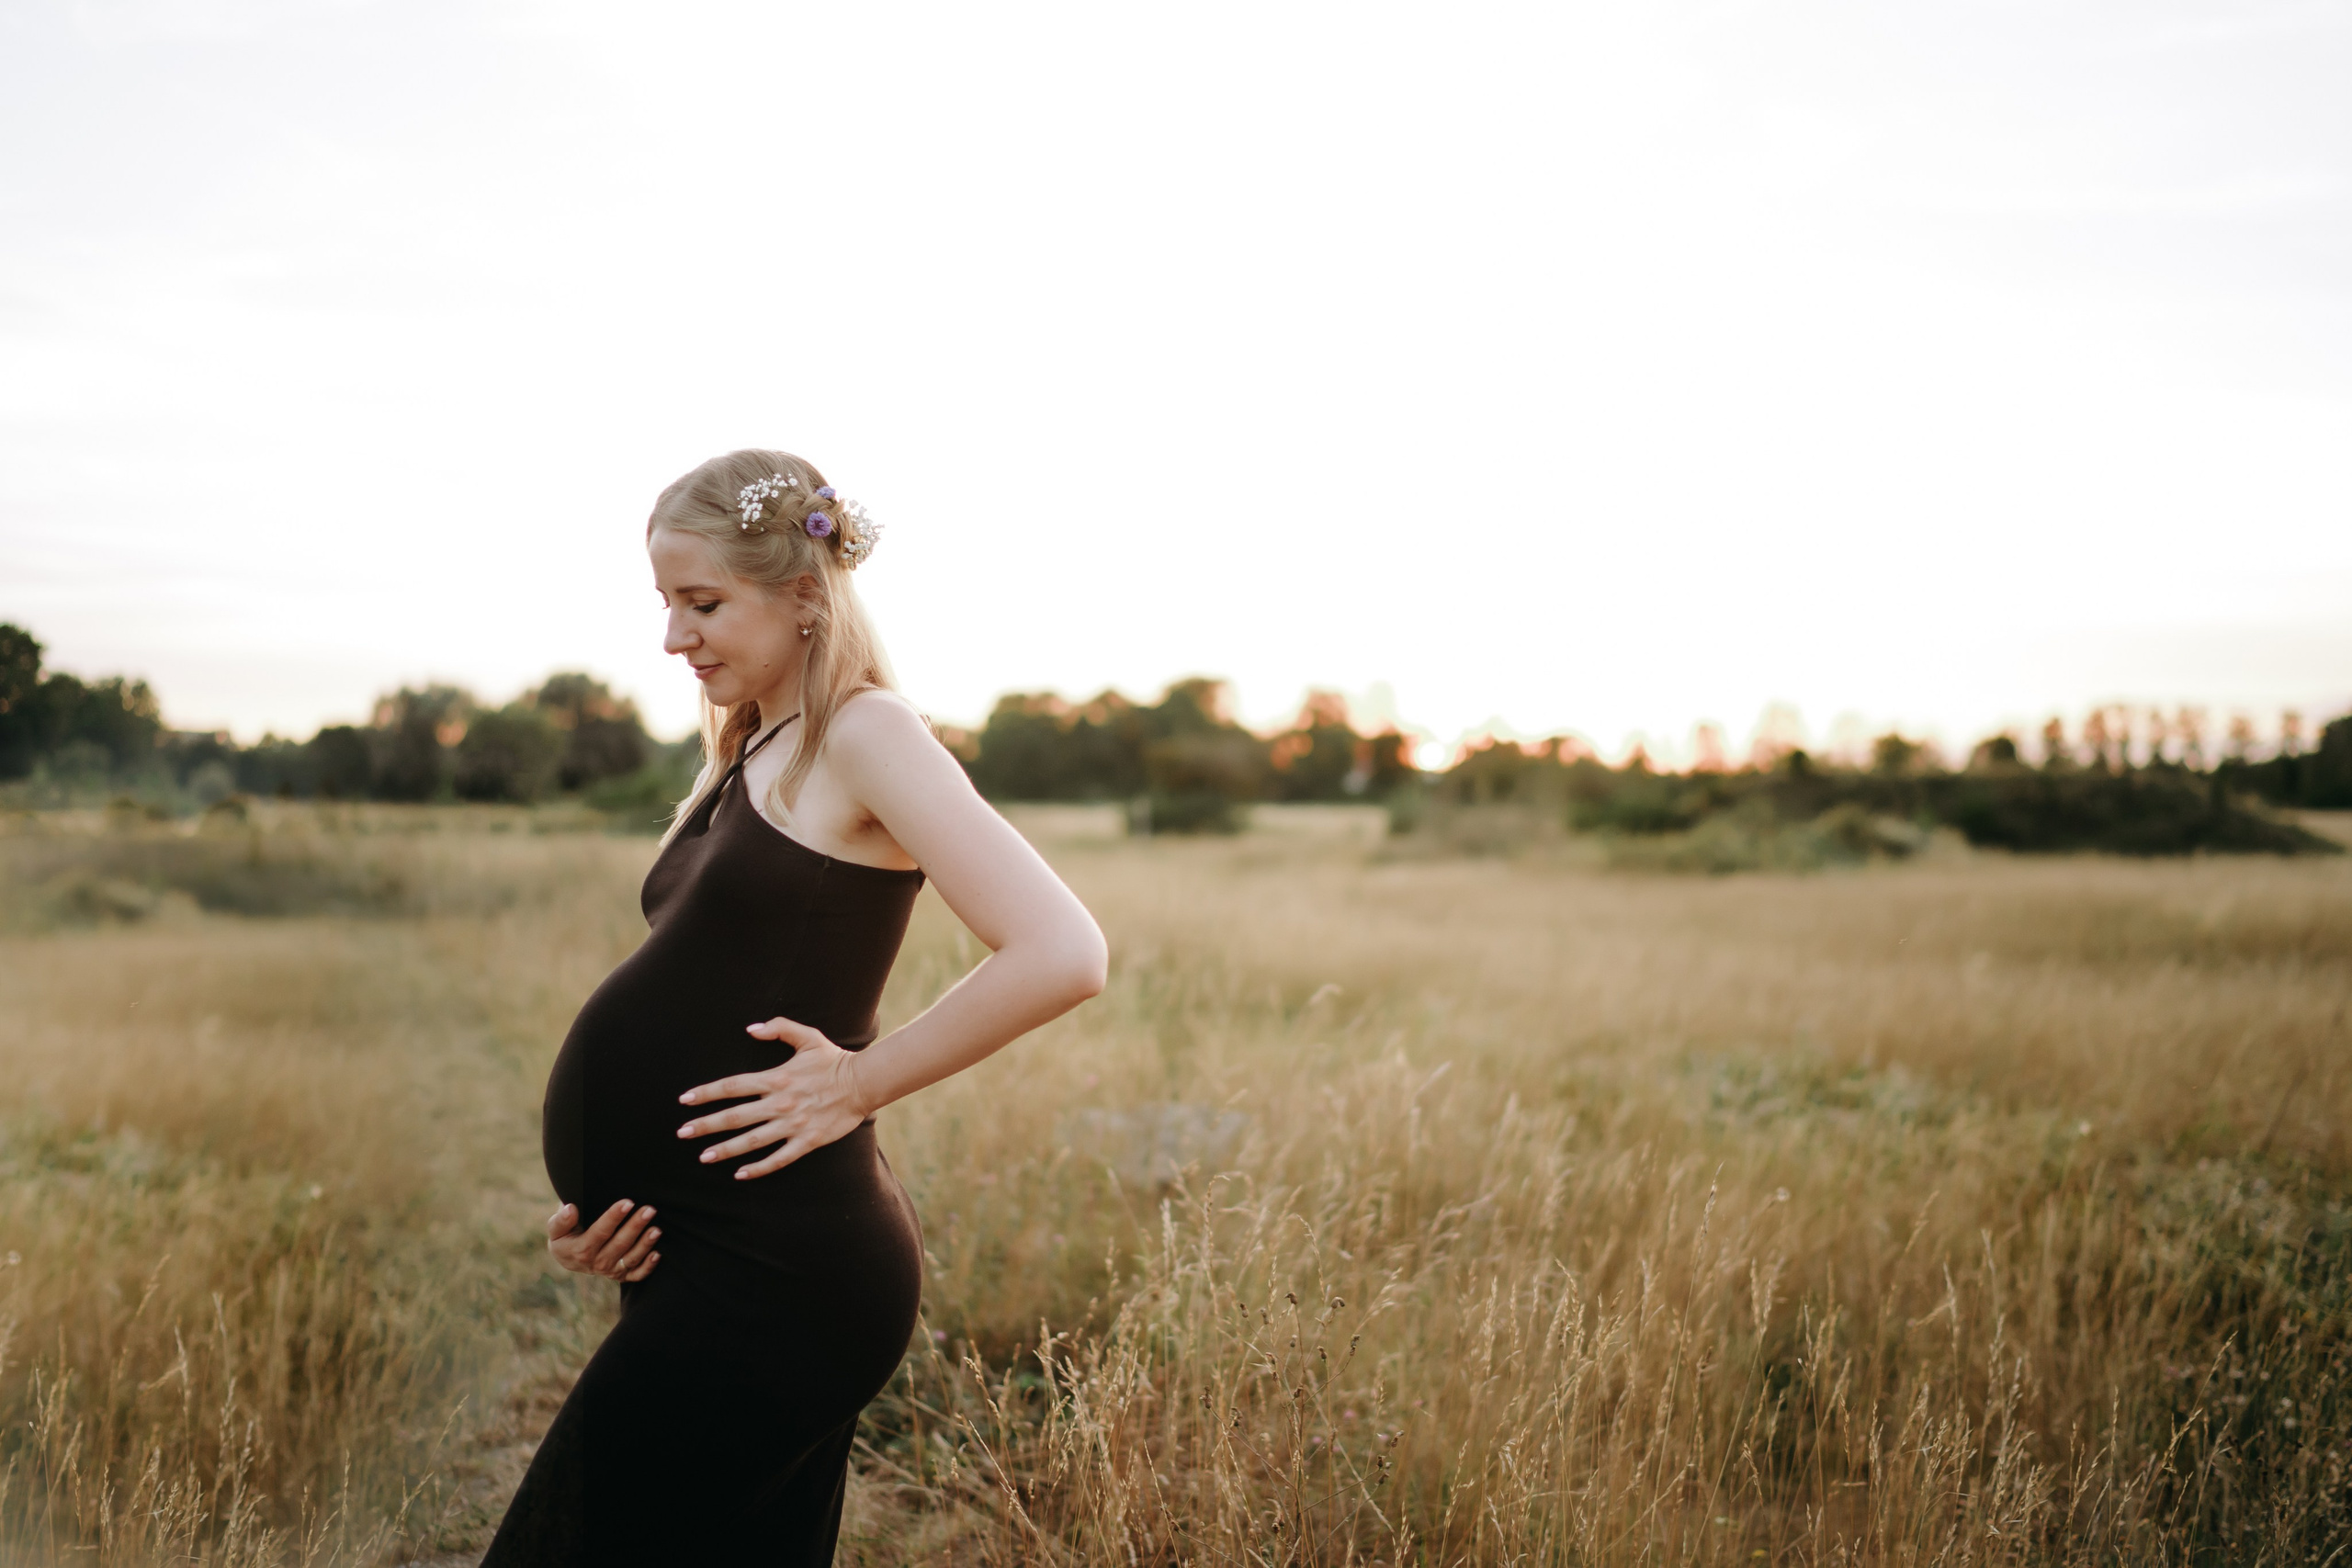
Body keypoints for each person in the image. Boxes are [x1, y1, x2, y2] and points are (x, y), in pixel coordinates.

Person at [482, 449, 1108, 1564]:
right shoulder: (748, 744)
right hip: (702, 1251)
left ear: (806, 597)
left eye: (704, 603)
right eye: (667, 604)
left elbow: (1063, 949)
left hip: (785, 1275)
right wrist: (614, 1204)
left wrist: (860, 1081)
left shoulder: (866, 734)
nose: (676, 637)